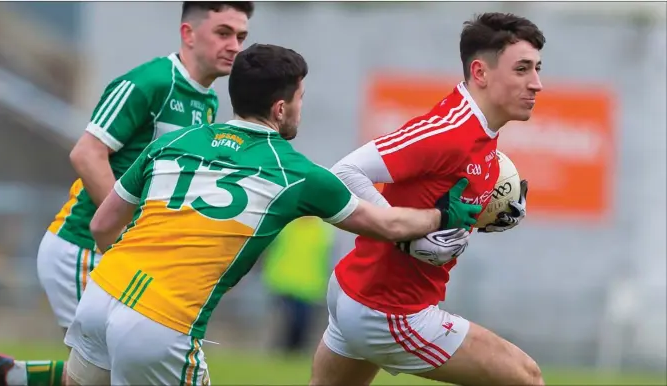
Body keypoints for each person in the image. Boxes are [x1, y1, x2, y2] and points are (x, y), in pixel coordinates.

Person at [61, 43, 482, 386]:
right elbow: (388, 225)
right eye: (300, 98)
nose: (301, 108)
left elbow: (102, 225)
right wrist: (442, 216)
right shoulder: (293, 171)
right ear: (281, 109)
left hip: (100, 295)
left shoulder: (176, 141)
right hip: (160, 324)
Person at [0, 3, 254, 386]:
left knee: (111, 370)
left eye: (241, 36)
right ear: (188, 34)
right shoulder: (150, 82)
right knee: (115, 368)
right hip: (82, 248)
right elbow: (87, 152)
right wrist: (128, 230)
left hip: (121, 254)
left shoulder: (206, 102)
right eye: (223, 33)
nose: (235, 46)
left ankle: (2, 376)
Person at [310, 12, 545, 386]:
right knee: (527, 377)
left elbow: (437, 204)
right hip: (389, 311)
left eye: (537, 68)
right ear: (481, 73)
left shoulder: (482, 131)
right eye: (522, 69)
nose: (537, 84)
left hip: (360, 290)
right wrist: (402, 232)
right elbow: (343, 174)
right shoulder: (452, 129)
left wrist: (484, 216)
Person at [262, 216, 335, 354]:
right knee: (286, 321)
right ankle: (281, 351)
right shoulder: (286, 224)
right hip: (283, 283)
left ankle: (294, 352)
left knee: (302, 323)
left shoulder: (324, 230)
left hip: (309, 287)